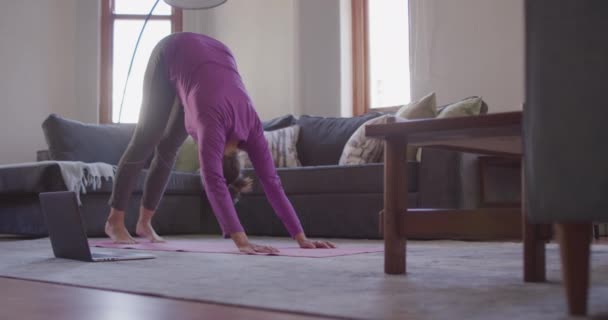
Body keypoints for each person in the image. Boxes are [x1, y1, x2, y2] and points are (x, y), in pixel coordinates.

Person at [105, 32, 335, 254]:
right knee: (146, 138)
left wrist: (301, 237)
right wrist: (241, 240)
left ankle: (144, 224)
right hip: (173, 50)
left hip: (211, 60)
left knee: (168, 148)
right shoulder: (212, 125)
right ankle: (115, 222)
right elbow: (213, 180)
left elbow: (272, 182)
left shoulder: (253, 128)